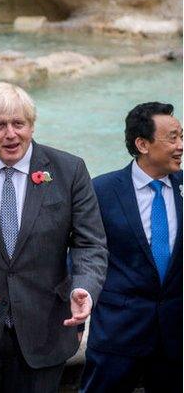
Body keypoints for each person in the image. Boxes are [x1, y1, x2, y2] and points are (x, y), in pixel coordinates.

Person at [0, 82, 108, 392]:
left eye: (19, 124)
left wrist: (84, 287)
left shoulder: (70, 170)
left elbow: (90, 244)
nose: (10, 134)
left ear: (32, 125)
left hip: (45, 334)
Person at [80, 102, 182, 393]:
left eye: (182, 137)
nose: (180, 146)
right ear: (142, 144)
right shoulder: (101, 190)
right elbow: (82, 254)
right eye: (172, 137)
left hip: (176, 338)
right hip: (117, 335)